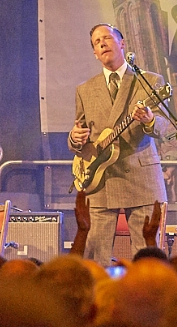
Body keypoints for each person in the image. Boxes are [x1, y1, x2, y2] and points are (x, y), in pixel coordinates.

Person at [68, 24, 169, 266]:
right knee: (94, 259)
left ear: (122, 43)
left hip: (141, 177)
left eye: (106, 38)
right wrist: (75, 138)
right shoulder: (85, 90)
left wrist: (150, 120)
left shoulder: (149, 81)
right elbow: (78, 136)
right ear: (94, 53)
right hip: (99, 181)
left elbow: (167, 126)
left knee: (147, 258)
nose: (102, 43)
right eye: (96, 42)